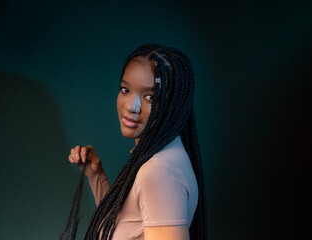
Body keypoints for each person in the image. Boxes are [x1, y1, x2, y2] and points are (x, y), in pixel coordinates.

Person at [61, 43, 207, 240]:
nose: (132, 106)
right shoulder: (164, 154)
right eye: (125, 89)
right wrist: (96, 175)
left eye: (149, 97)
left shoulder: (159, 171)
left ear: (172, 103)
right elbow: (126, 229)